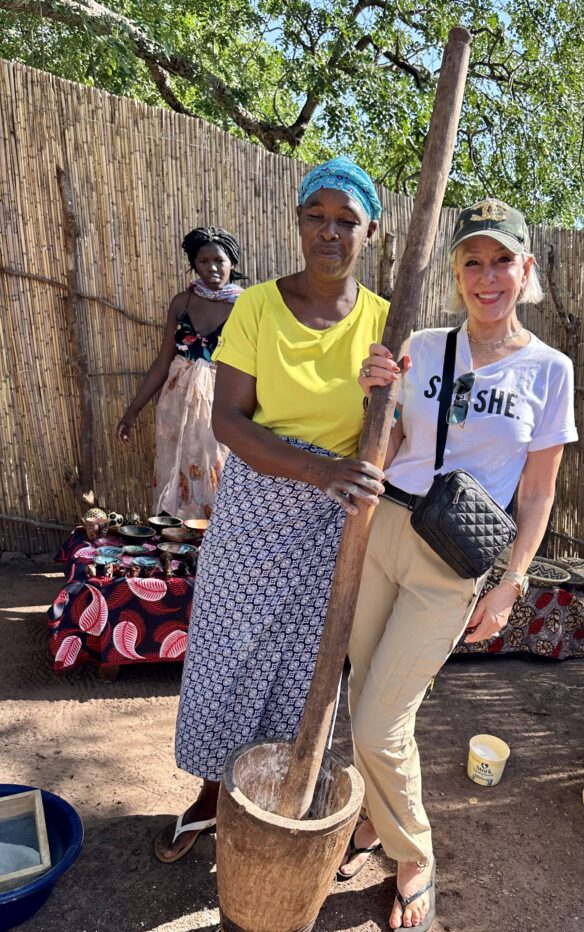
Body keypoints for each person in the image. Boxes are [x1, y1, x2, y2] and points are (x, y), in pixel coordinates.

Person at [338, 199, 578, 932]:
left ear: (526, 271)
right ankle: (376, 822)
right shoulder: (422, 346)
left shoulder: (549, 370)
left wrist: (512, 582)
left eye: (501, 260)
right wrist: (372, 389)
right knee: (364, 697)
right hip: (384, 532)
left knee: (381, 719)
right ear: (455, 273)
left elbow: (537, 491)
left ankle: (415, 860)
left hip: (453, 560)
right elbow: (388, 437)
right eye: (472, 261)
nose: (487, 276)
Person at [154, 157, 389, 863]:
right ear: (296, 221)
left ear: (370, 232)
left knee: (299, 667)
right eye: (317, 216)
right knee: (226, 651)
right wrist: (318, 470)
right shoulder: (256, 307)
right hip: (259, 500)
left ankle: (265, 801)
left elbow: (392, 435)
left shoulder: (384, 321)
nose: (330, 231)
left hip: (335, 522)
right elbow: (230, 421)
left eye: (346, 220)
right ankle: (208, 791)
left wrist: (392, 404)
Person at [116, 227, 244, 519]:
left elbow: (256, 366)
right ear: (194, 264)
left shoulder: (245, 305)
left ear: (232, 263)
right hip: (176, 401)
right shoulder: (181, 303)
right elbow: (163, 361)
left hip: (221, 400)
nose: (212, 267)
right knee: (174, 468)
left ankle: (215, 548)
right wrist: (132, 412)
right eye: (203, 261)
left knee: (218, 471)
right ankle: (176, 551)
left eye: (219, 260)